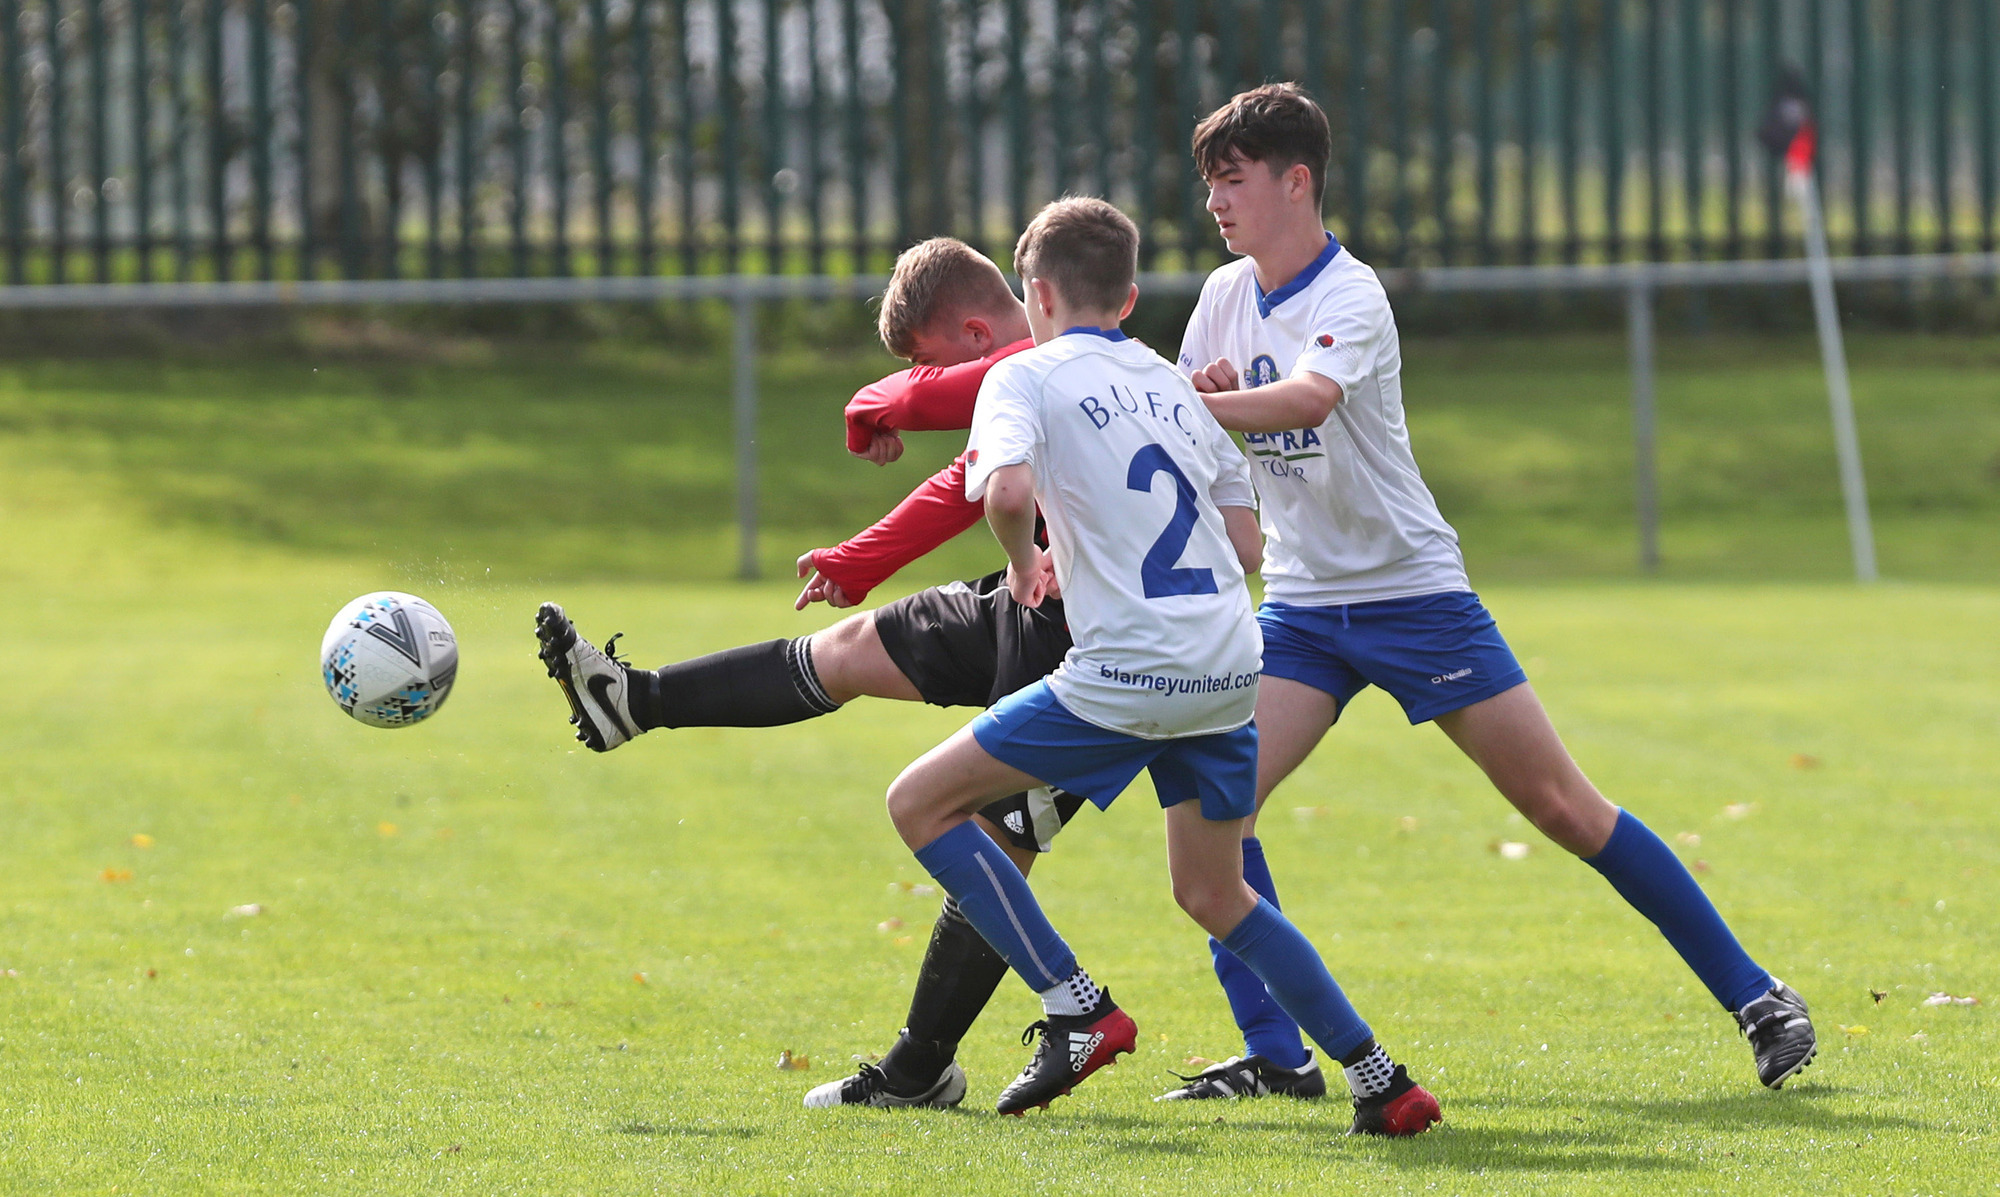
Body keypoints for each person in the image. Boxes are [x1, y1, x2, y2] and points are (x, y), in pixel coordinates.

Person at [1160, 82, 1817, 1100]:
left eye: (1231, 180)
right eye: (1209, 183)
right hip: (1297, 608)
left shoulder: (1348, 295)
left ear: (1296, 182)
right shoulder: (1220, 295)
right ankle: (1278, 1056)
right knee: (1219, 811)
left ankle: (1756, 995)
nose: (1214, 202)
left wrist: (1197, 406)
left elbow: (1303, 399)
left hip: (1412, 598)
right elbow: (1199, 428)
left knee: (1559, 806)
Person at [886, 195, 1441, 1134]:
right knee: (1214, 891)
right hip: (1229, 665)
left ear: (1038, 293)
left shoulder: (1020, 378)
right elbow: (1247, 544)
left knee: (918, 802)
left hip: (1125, 672)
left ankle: (1076, 1005)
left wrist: (1027, 561)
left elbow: (1008, 489)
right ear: (1132, 296)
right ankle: (1381, 1076)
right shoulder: (1175, 383)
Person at [538, 237, 1106, 1109]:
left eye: (924, 355)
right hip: (1029, 593)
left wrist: (874, 403)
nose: (924, 375)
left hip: (1102, 643)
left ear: (973, 329)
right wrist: (858, 560)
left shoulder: (1055, 357)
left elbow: (933, 399)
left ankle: (922, 1070)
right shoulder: (1031, 383)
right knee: (841, 655)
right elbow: (965, 479)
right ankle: (635, 701)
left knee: (997, 843)